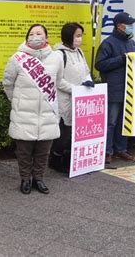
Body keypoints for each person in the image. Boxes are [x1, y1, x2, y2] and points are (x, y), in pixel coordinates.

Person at [2, 24, 62, 195]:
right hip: (23, 113)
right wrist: (17, 101)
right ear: (27, 37)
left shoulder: (56, 58)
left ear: (46, 37)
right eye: (32, 33)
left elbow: (58, 83)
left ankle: (39, 178)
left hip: (47, 113)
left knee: (44, 151)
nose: (36, 36)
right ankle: (25, 179)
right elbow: (8, 83)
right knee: (24, 151)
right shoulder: (17, 58)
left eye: (39, 33)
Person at [49, 22, 93, 173]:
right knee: (64, 132)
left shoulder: (79, 52)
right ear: (69, 36)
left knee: (76, 130)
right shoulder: (59, 55)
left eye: (81, 36)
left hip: (80, 99)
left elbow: (86, 70)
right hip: (65, 100)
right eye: (77, 36)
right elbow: (57, 80)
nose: (80, 39)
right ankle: (55, 159)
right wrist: (75, 89)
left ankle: (69, 159)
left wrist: (89, 81)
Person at [95, 12, 135, 164]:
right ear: (120, 26)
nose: (131, 27)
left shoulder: (131, 43)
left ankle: (121, 149)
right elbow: (99, 64)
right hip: (113, 89)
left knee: (124, 122)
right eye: (129, 24)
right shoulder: (108, 43)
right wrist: (122, 59)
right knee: (111, 122)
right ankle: (107, 151)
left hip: (129, 90)